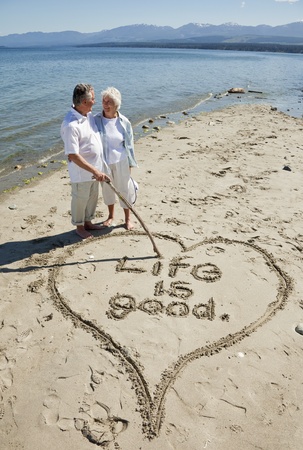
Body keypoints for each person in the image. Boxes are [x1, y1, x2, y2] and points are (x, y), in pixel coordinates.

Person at [61, 83, 110, 239]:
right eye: (93, 99)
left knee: (92, 197)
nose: (94, 102)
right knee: (80, 199)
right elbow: (73, 155)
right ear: (83, 102)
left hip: (95, 168)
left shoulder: (87, 115)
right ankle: (79, 226)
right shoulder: (71, 125)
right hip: (82, 172)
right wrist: (95, 171)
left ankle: (88, 222)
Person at [94, 86, 138, 231]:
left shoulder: (124, 122)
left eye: (109, 102)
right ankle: (111, 216)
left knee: (124, 190)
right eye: (103, 101)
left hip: (121, 161)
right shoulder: (96, 120)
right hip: (105, 164)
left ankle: (127, 219)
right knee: (107, 191)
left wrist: (130, 165)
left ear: (116, 105)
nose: (106, 105)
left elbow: (129, 145)